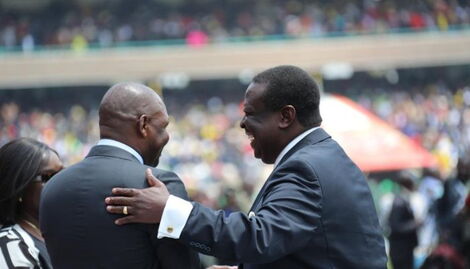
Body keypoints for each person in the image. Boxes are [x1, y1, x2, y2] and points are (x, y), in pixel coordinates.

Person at [105, 65, 387, 268]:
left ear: (286, 116)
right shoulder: (320, 157)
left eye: (250, 114)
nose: (242, 124)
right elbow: (299, 249)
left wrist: (169, 210)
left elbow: (259, 238)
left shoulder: (306, 169)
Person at [40, 82, 200, 269]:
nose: (167, 136)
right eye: (163, 127)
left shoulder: (52, 187)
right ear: (143, 125)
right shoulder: (158, 186)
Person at [0, 138, 63, 269]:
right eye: (47, 177)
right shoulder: (12, 245)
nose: (60, 183)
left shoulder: (63, 232)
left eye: (62, 174)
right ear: (19, 187)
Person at [387, 172, 421, 269]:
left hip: (405, 249)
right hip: (400, 251)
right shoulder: (399, 203)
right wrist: (414, 224)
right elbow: (395, 227)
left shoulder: (404, 200)